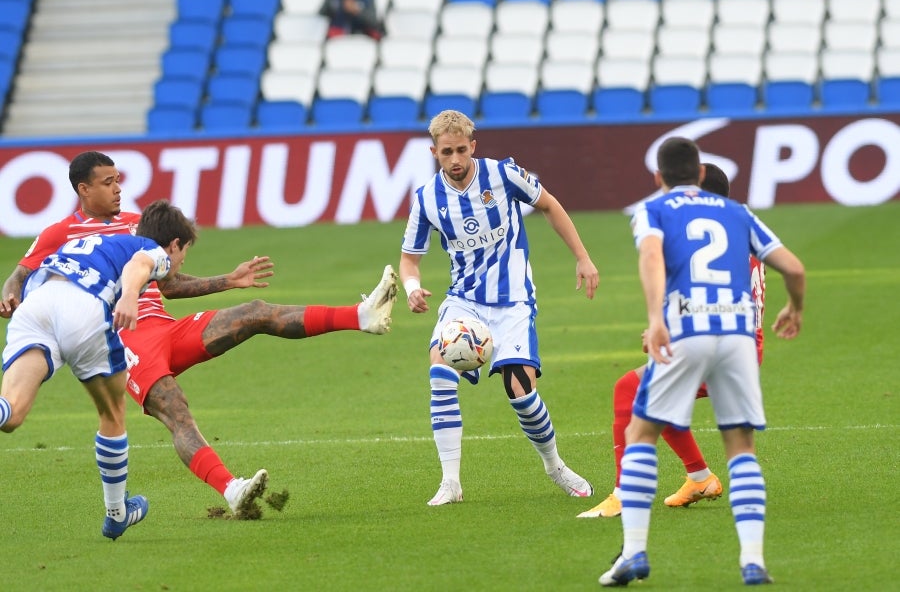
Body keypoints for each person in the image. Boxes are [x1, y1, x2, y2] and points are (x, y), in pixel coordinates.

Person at [1, 151, 399, 518]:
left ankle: (361, 315)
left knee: (254, 312)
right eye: (108, 182)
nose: (118, 188)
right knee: (176, 409)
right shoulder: (59, 233)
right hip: (125, 339)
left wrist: (229, 280)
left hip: (165, 329)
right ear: (83, 189)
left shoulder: (137, 224)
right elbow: (19, 276)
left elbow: (169, 283)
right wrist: (10, 296)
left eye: (118, 179)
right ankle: (231, 490)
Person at [598, 137, 805, 587]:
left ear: (659, 176)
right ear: (701, 173)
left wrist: (657, 320)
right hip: (739, 340)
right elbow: (795, 268)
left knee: (641, 427)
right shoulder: (739, 215)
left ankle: (634, 551)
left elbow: (652, 257)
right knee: (741, 447)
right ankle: (752, 560)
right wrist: (795, 307)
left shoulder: (655, 210)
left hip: (689, 333)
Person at [399, 110, 600, 506]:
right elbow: (409, 259)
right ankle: (450, 482)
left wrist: (583, 257)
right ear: (434, 153)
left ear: (472, 146)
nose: (455, 159)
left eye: (461, 150)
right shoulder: (426, 199)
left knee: (520, 391)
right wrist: (412, 287)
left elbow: (549, 205)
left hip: (514, 300)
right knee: (440, 369)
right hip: (464, 300)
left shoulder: (503, 174)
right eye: (446, 152)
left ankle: (555, 466)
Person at [579, 163, 767, 519]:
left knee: (631, 389)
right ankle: (700, 478)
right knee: (656, 395)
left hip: (719, 346)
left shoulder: (708, 242)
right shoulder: (738, 233)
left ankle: (624, 494)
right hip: (740, 344)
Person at [1, 199, 197, 539]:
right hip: (83, 306)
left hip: (37, 306)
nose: (180, 263)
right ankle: (117, 512)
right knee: (112, 413)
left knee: (11, 414)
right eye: (184, 254)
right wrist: (130, 295)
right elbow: (140, 264)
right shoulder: (154, 249)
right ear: (175, 244)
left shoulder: (98, 242)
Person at [319, 0, 383, 40]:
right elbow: (320, 20)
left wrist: (357, 11)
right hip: (335, 41)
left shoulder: (368, 0)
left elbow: (374, 22)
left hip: (361, 40)